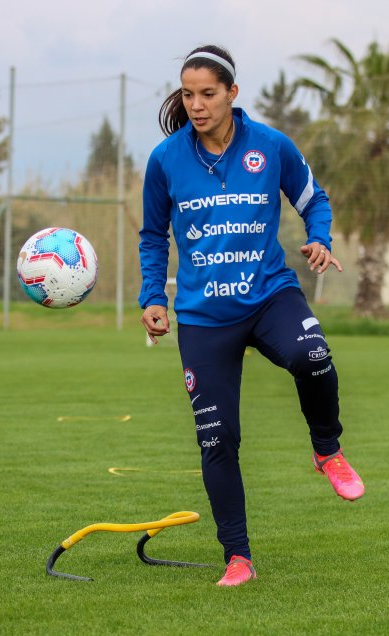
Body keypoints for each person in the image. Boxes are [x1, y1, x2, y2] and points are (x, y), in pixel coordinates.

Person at [138, 45, 365, 588]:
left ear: (232, 94)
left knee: (313, 357)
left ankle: (326, 449)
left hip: (269, 297)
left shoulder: (271, 145)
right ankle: (237, 557)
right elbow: (152, 235)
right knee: (218, 439)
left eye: (208, 94)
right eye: (189, 94)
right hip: (203, 318)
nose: (197, 104)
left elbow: (314, 199)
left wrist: (318, 237)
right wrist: (152, 296)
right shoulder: (165, 159)